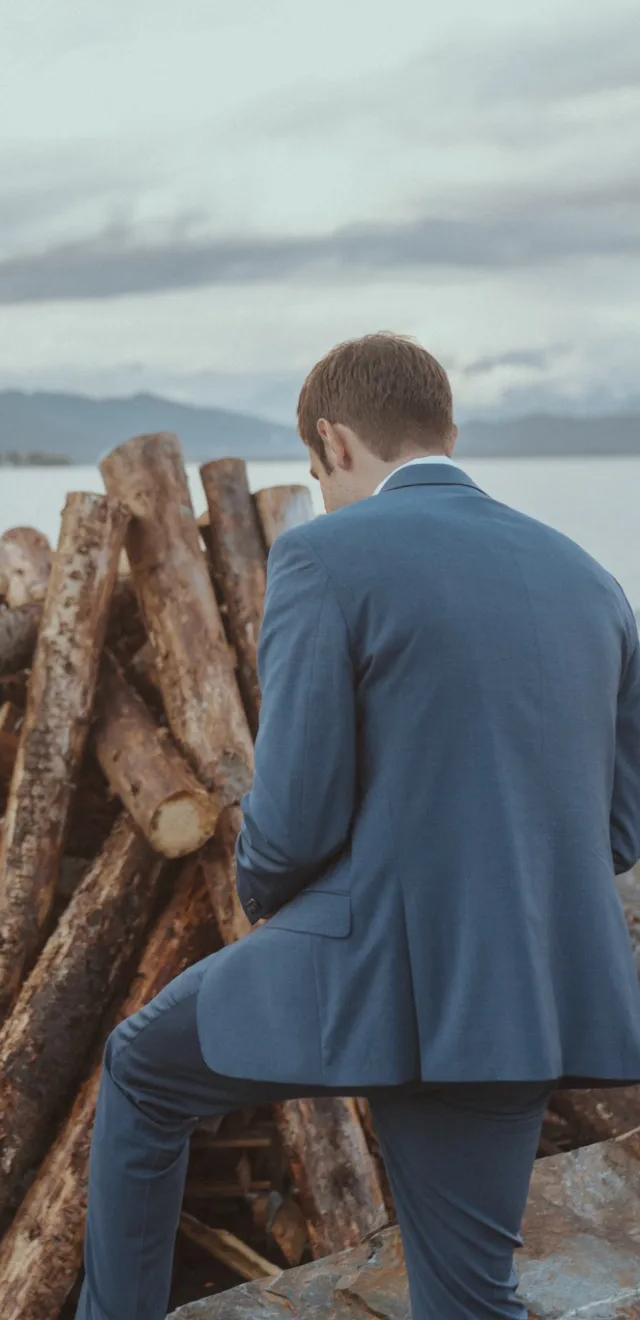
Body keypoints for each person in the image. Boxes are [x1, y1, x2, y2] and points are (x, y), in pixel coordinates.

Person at [76, 334, 640, 1320]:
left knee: (144, 1068)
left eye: (314, 470)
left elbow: (293, 815)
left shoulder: (327, 555)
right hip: (516, 988)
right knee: (470, 1299)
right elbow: (620, 827)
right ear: (445, 429)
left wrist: (266, 904)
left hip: (358, 957)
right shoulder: (592, 582)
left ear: (334, 442)